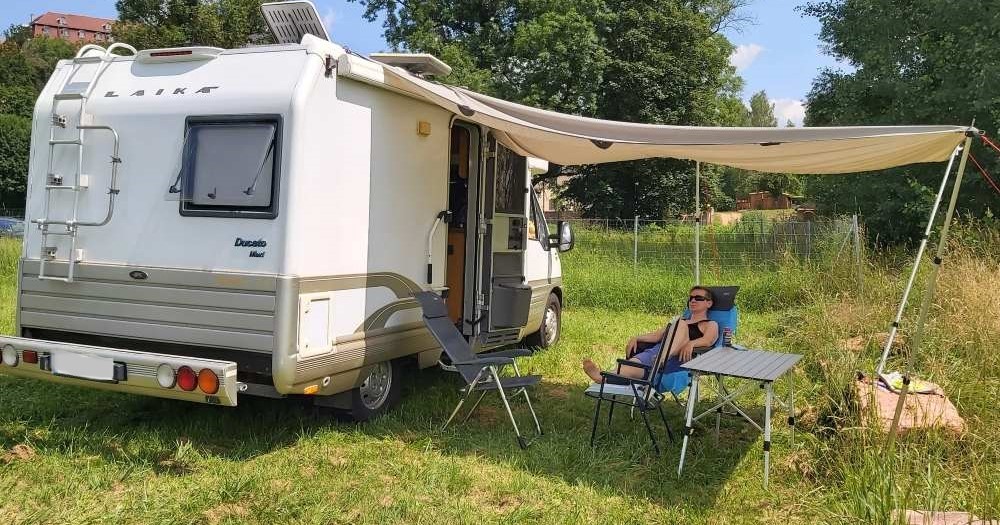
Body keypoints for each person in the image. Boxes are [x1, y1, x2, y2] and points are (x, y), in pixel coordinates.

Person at [583, 286, 720, 383]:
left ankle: (662, 360)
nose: (693, 301)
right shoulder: (682, 320)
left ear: (709, 303)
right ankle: (601, 377)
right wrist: (636, 338)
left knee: (680, 323)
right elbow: (657, 336)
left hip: (676, 359)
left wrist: (692, 343)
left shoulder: (710, 324)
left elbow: (708, 341)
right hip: (655, 353)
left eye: (698, 298)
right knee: (630, 366)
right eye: (690, 298)